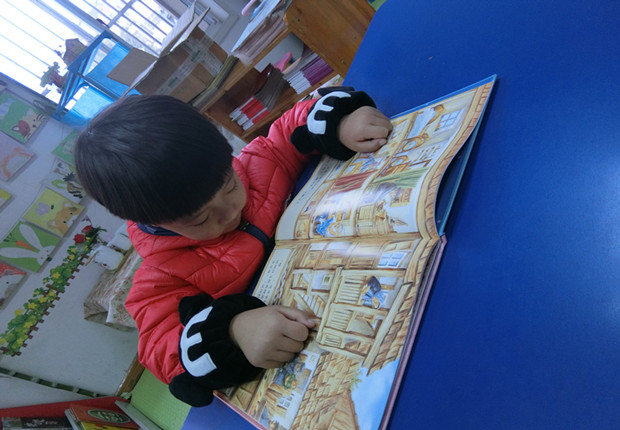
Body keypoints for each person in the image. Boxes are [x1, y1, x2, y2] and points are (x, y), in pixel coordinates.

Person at [74, 88, 392, 406]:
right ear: (155, 223)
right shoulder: (163, 277)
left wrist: (337, 123)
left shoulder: (256, 165)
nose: (230, 213)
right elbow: (160, 347)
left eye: (230, 186)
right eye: (201, 219)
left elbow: (287, 132)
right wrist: (231, 332)